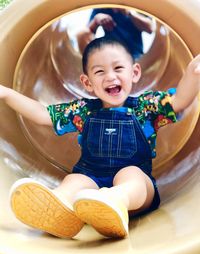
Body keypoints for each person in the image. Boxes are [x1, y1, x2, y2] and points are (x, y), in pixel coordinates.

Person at [1, 37, 199, 239]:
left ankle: (115, 201)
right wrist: (7, 94)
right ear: (87, 82)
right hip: (91, 186)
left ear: (135, 73)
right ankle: (58, 207)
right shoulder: (83, 111)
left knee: (132, 175)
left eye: (118, 68)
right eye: (100, 71)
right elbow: (44, 114)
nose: (110, 76)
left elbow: (178, 101)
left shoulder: (146, 107)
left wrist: (192, 73)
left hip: (134, 196)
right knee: (75, 180)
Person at [77, 8, 153, 58]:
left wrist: (129, 13)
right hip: (112, 56)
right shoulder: (101, 7)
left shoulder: (135, 5)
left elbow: (150, 28)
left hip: (135, 56)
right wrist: (96, 20)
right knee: (81, 33)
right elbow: (84, 34)